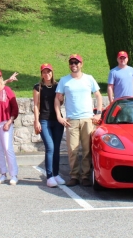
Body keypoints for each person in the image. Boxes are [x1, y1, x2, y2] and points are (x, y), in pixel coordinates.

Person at [55, 54, 103, 187]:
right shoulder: (64, 80)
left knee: (87, 149)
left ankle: (86, 176)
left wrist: (98, 113)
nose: (74, 65)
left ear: (81, 64)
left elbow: (98, 96)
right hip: (72, 120)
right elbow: (57, 98)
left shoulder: (89, 78)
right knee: (72, 150)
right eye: (71, 62)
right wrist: (59, 116)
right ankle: (74, 176)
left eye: (76, 62)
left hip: (88, 119)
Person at [33, 63, 65, 188]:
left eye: (49, 71)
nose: (47, 74)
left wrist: (61, 98)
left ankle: (56, 174)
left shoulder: (58, 86)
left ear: (52, 72)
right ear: (41, 74)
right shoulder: (38, 87)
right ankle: (50, 176)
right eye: (44, 72)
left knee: (56, 148)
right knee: (50, 147)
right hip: (44, 120)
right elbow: (35, 105)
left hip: (57, 120)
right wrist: (36, 121)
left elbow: (61, 102)